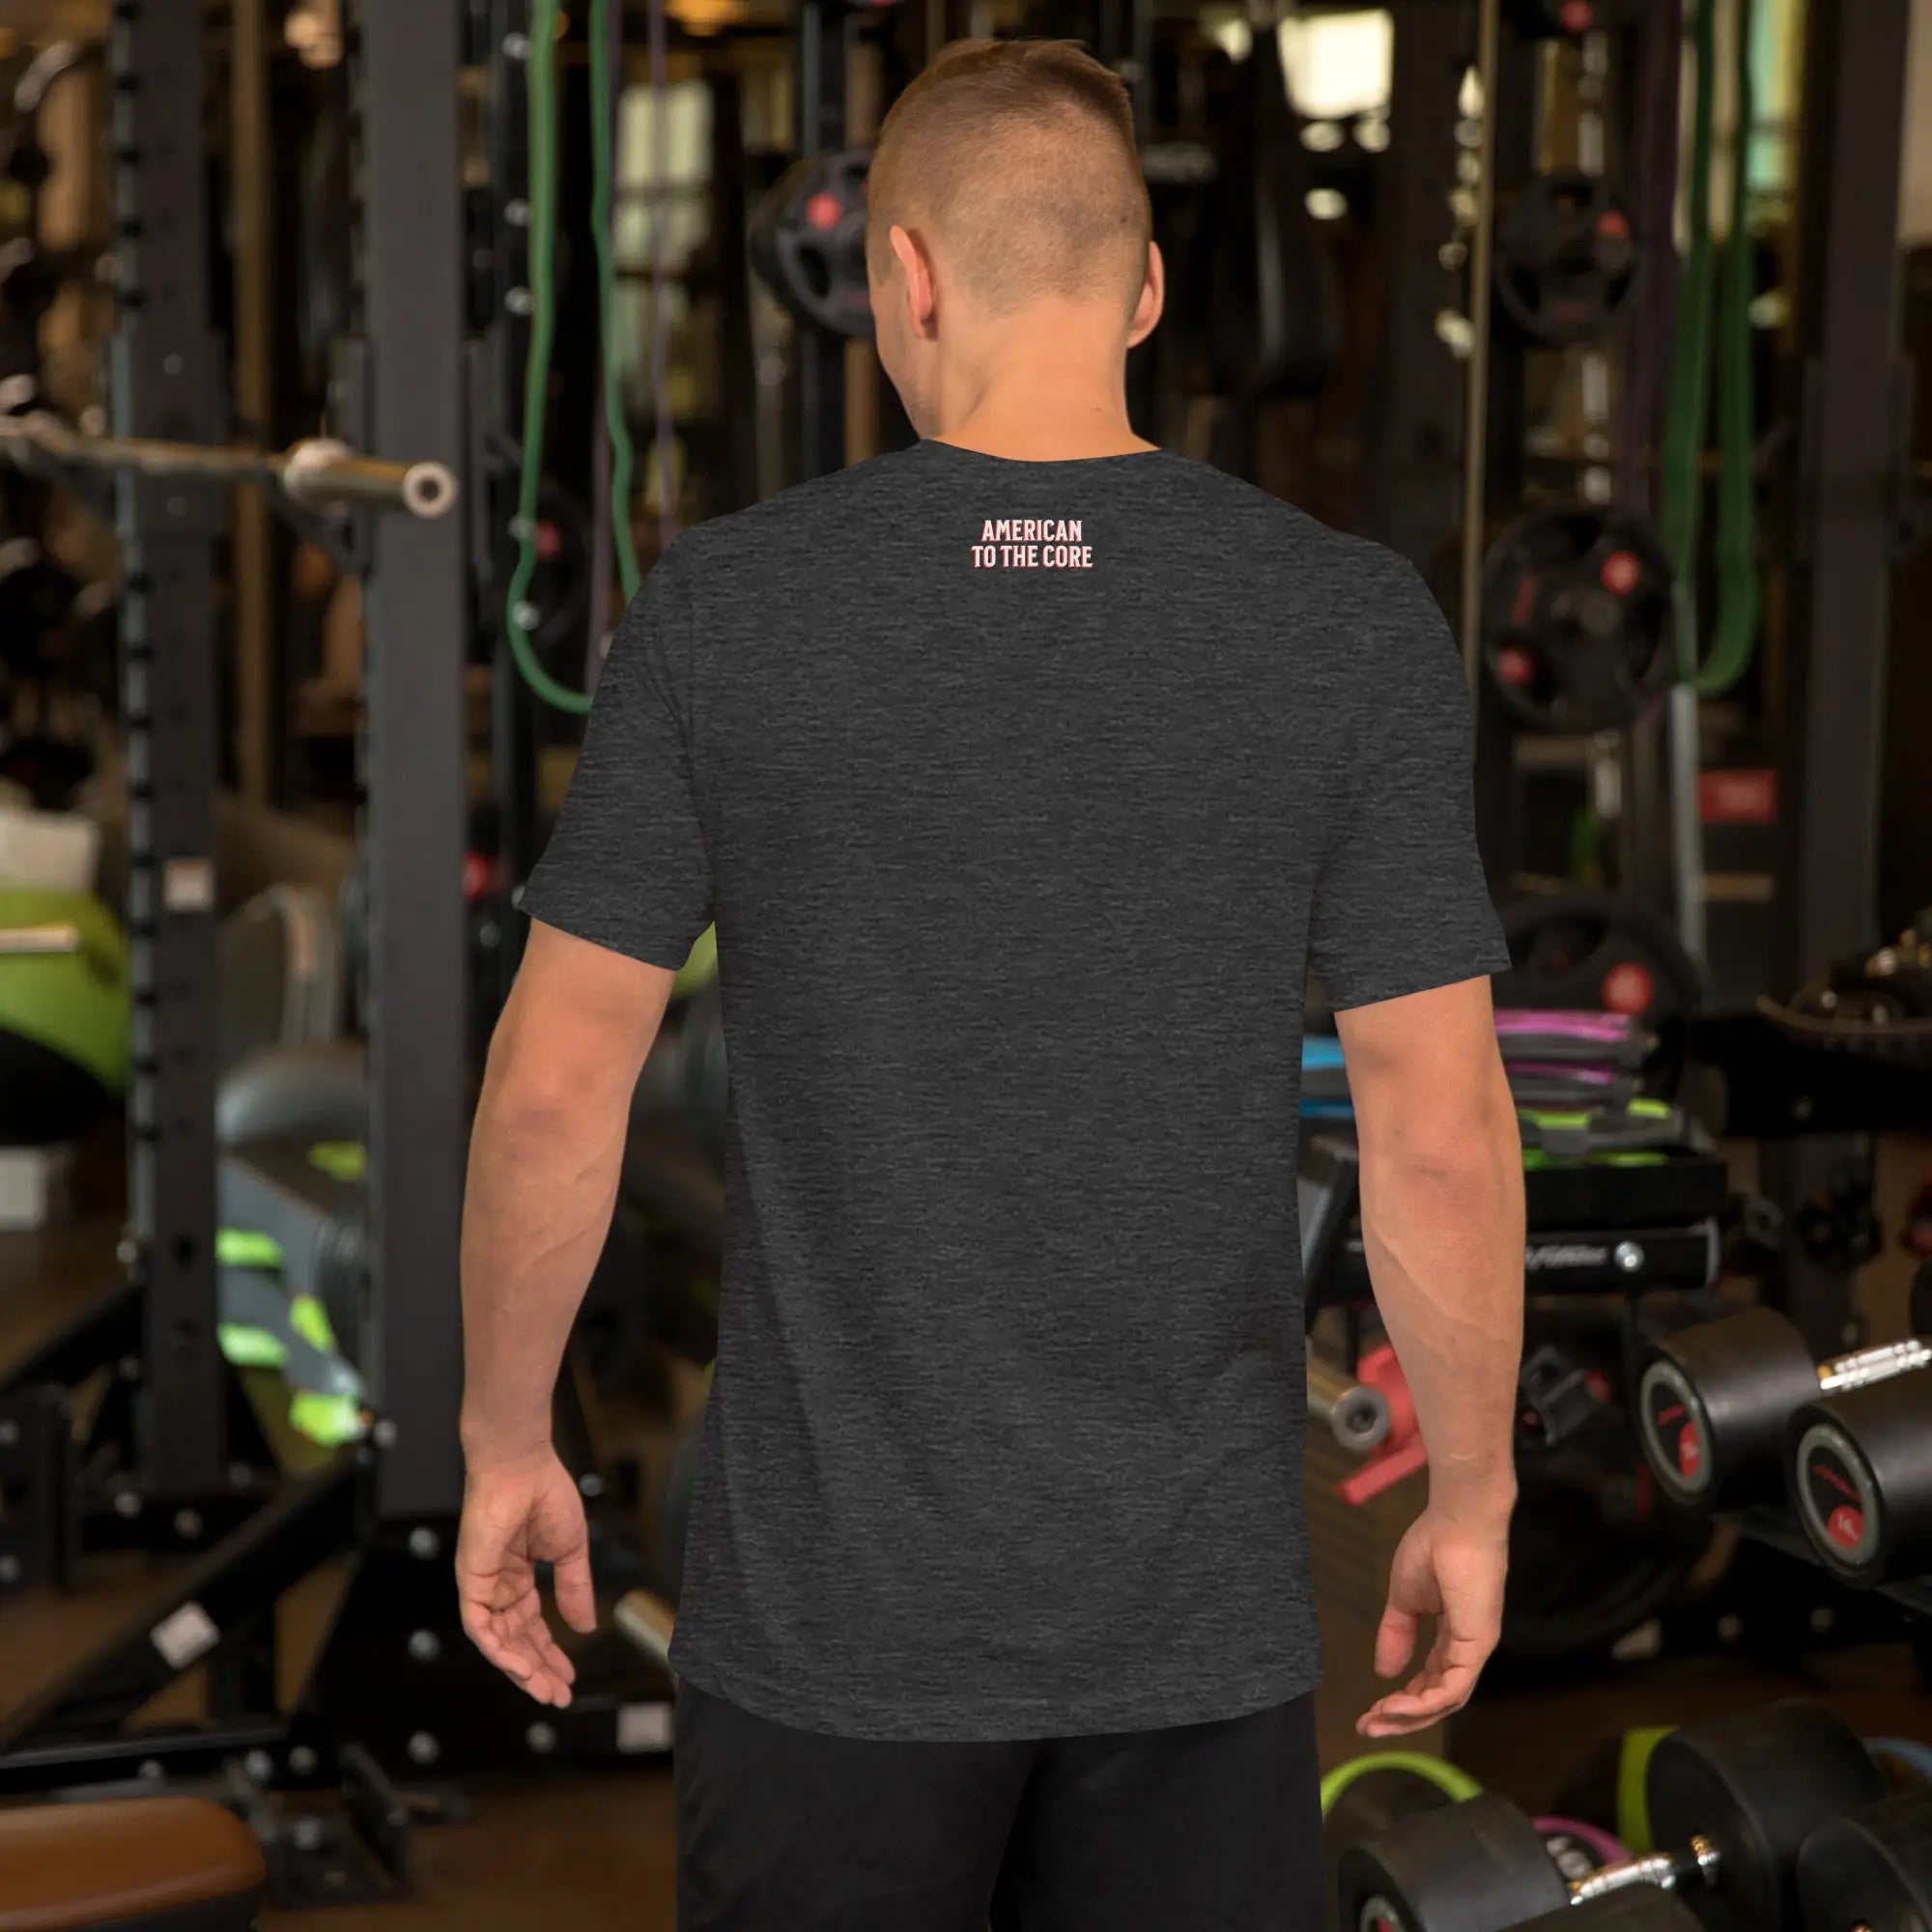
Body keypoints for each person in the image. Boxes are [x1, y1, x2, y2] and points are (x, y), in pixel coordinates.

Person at [457, 37, 1524, 1932]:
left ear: (905, 276)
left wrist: (505, 1441)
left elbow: (554, 1089)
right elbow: (1431, 1121)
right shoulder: (1344, 621)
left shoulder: (725, 609)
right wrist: (1475, 1494)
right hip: (1189, 1624)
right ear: (1147, 287)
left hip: (828, 1632)